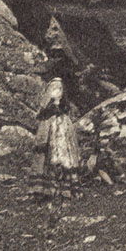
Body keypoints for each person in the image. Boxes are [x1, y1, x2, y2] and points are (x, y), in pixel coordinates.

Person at [30, 59, 83, 201]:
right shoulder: (60, 84)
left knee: (54, 153)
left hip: (54, 123)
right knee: (64, 153)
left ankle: (53, 189)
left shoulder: (54, 84)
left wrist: (40, 112)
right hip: (61, 121)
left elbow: (46, 104)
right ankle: (62, 188)